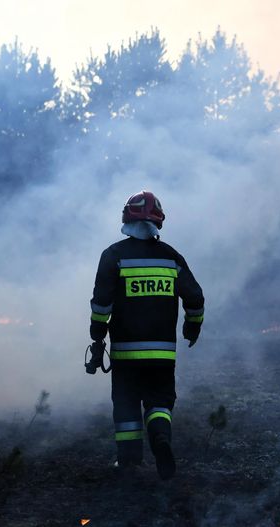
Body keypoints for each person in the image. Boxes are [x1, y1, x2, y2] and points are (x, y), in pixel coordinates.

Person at [87, 190, 204, 479]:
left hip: (126, 352)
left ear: (127, 217)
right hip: (162, 354)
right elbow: (196, 298)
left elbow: (102, 303)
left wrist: (97, 334)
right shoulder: (171, 258)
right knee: (160, 402)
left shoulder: (113, 256)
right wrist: (192, 326)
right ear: (158, 221)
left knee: (126, 405)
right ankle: (161, 437)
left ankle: (128, 462)